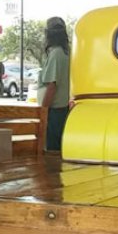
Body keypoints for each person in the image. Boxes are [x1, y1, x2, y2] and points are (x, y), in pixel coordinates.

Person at [37, 17, 70, 152]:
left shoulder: (56, 53)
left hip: (54, 111)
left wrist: (43, 110)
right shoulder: (65, 52)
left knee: (51, 151)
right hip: (60, 110)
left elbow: (52, 86)